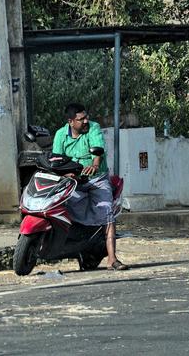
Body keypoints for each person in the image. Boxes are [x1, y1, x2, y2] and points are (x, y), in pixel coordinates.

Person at [53, 103, 128, 271]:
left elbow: (98, 150)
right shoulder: (60, 135)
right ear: (71, 121)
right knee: (58, 205)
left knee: (106, 210)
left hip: (97, 180)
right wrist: (66, 175)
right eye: (81, 119)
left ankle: (112, 259)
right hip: (73, 182)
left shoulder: (93, 128)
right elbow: (57, 160)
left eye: (87, 117)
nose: (86, 121)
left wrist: (94, 165)